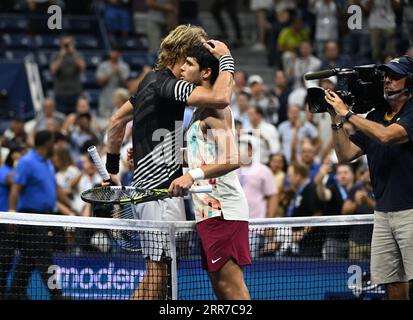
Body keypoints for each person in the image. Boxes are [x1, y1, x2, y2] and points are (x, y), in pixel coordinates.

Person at [105, 25, 235, 300]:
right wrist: (226, 59)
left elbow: (117, 121)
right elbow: (221, 98)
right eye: (200, 48)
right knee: (158, 272)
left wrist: (114, 168)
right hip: (159, 195)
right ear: (185, 52)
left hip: (145, 193)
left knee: (163, 274)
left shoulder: (148, 81)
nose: (205, 52)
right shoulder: (169, 84)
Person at [324, 55, 413, 299]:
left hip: (411, 212)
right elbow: (345, 154)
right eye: (386, 76)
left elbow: (387, 136)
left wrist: (349, 114)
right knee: (392, 283)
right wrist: (336, 118)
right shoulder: (376, 116)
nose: (388, 81)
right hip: (383, 213)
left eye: (395, 76)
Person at [168, 44, 250, 300]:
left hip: (223, 210)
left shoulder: (214, 110)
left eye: (189, 64)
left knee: (230, 289)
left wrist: (192, 176)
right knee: (221, 290)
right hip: (208, 211)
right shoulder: (199, 110)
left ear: (204, 73)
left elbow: (234, 158)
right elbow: (198, 154)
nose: (181, 68)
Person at [8, 130, 73, 300]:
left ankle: (15, 291)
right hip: (29, 216)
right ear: (46, 143)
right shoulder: (27, 162)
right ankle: (57, 295)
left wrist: (74, 209)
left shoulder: (48, 164)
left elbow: (56, 189)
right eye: (53, 142)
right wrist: (12, 213)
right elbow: (15, 190)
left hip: (45, 216)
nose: (55, 146)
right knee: (44, 255)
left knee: (29, 256)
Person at [49, 35, 86, 115]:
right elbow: (53, 70)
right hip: (60, 93)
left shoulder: (77, 55)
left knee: (75, 117)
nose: (67, 46)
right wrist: (61, 56)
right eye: (65, 44)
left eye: (68, 43)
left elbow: (83, 67)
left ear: (73, 44)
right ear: (61, 45)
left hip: (75, 93)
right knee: (60, 117)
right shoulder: (56, 55)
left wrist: (73, 53)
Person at [96, 47, 131, 119]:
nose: (114, 54)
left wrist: (119, 74)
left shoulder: (124, 67)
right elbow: (99, 82)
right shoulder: (103, 66)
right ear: (110, 52)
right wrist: (111, 73)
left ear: (120, 54)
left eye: (117, 52)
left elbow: (127, 85)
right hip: (105, 100)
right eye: (113, 51)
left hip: (120, 101)